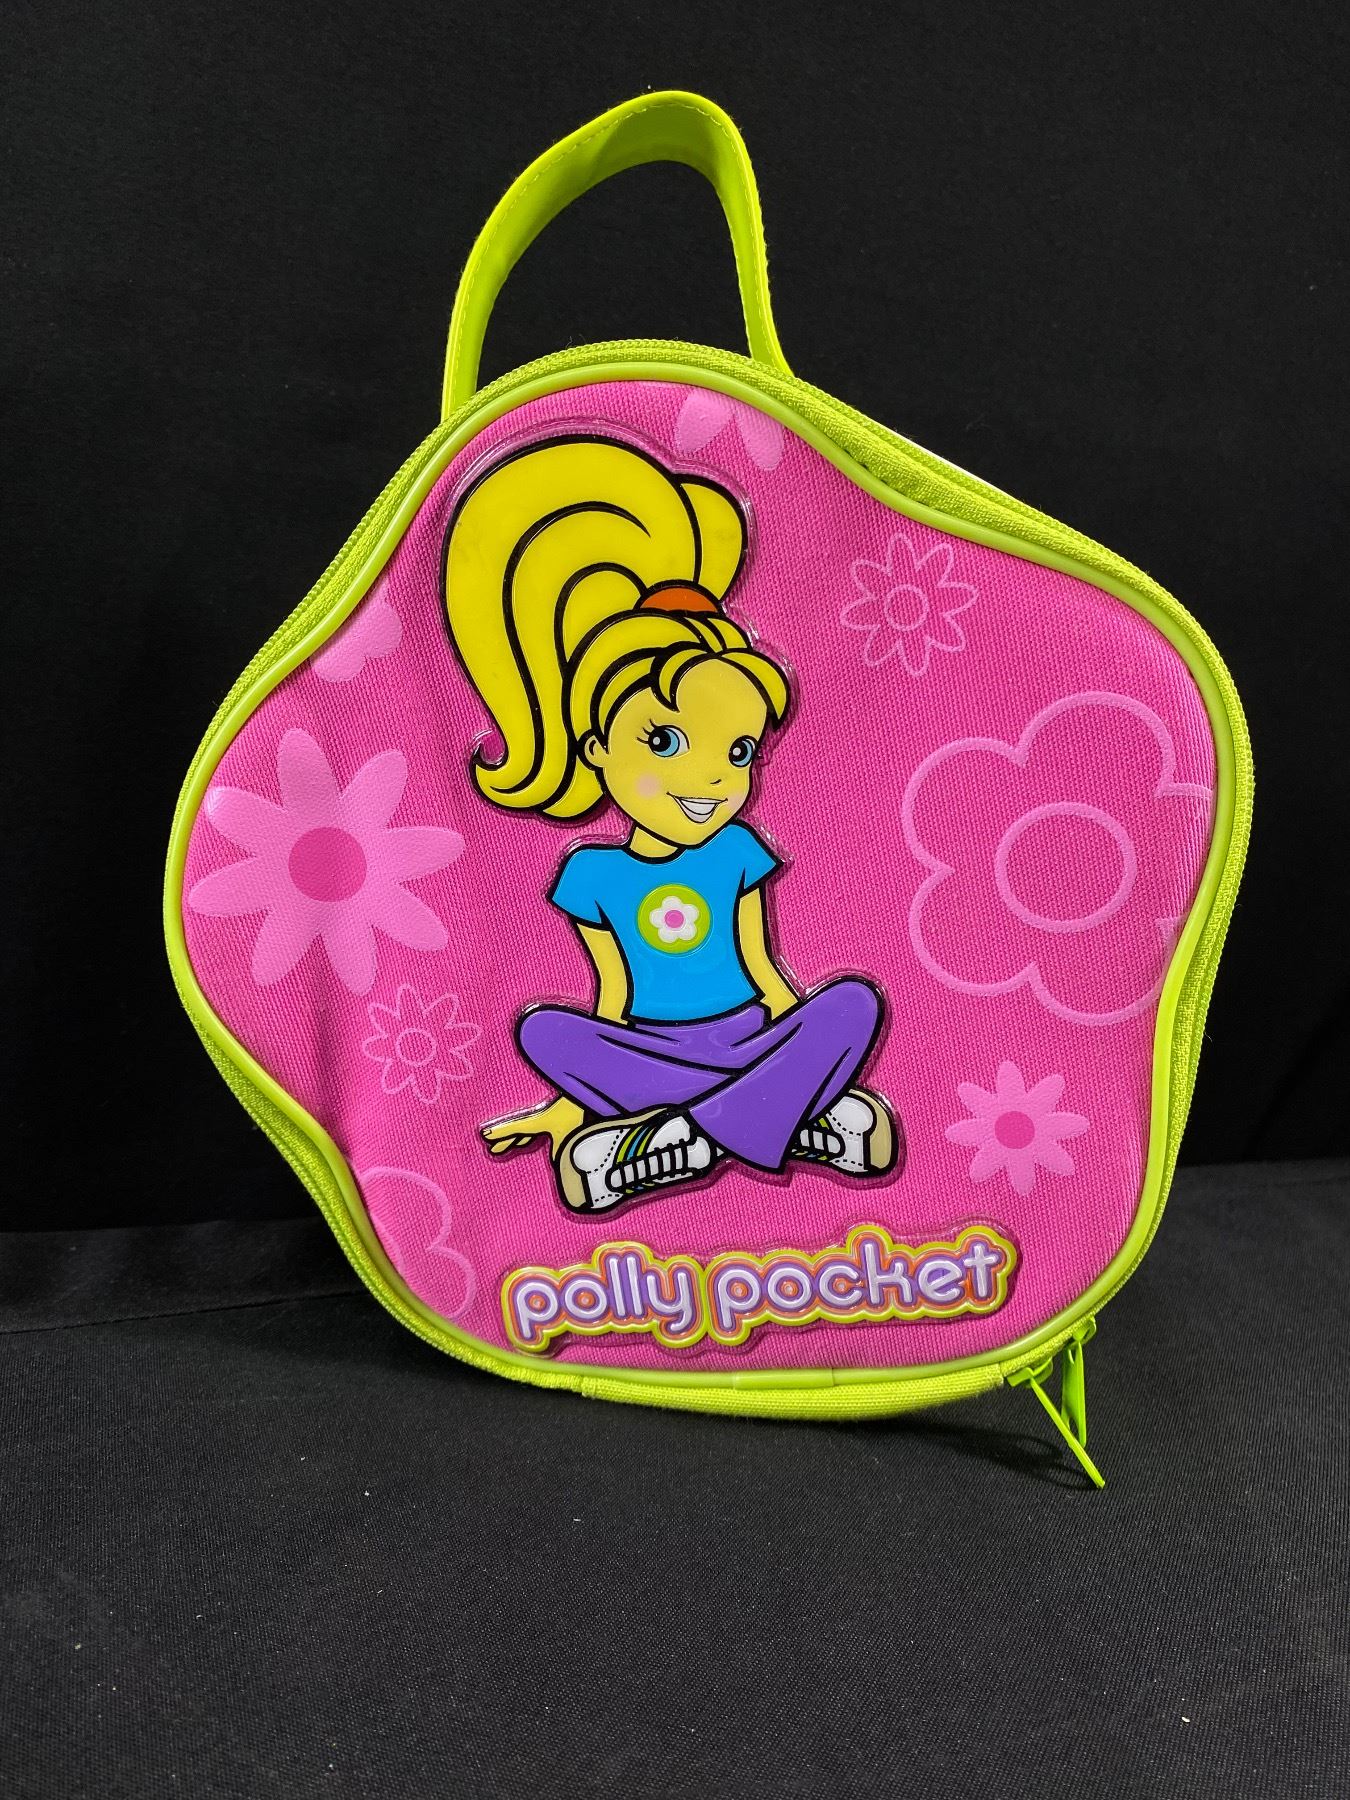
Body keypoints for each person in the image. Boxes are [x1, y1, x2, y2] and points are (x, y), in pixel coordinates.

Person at [443, 433, 898, 1214]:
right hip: (653, 1047)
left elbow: (764, 967)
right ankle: (791, 1117)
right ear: (596, 748)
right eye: (664, 742)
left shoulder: (738, 852)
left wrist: (790, 1028)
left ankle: (678, 1136)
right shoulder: (592, 875)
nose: (712, 777)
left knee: (851, 1004)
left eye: (739, 751)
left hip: (748, 1034)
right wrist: (570, 1102)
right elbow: (611, 994)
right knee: (546, 1033)